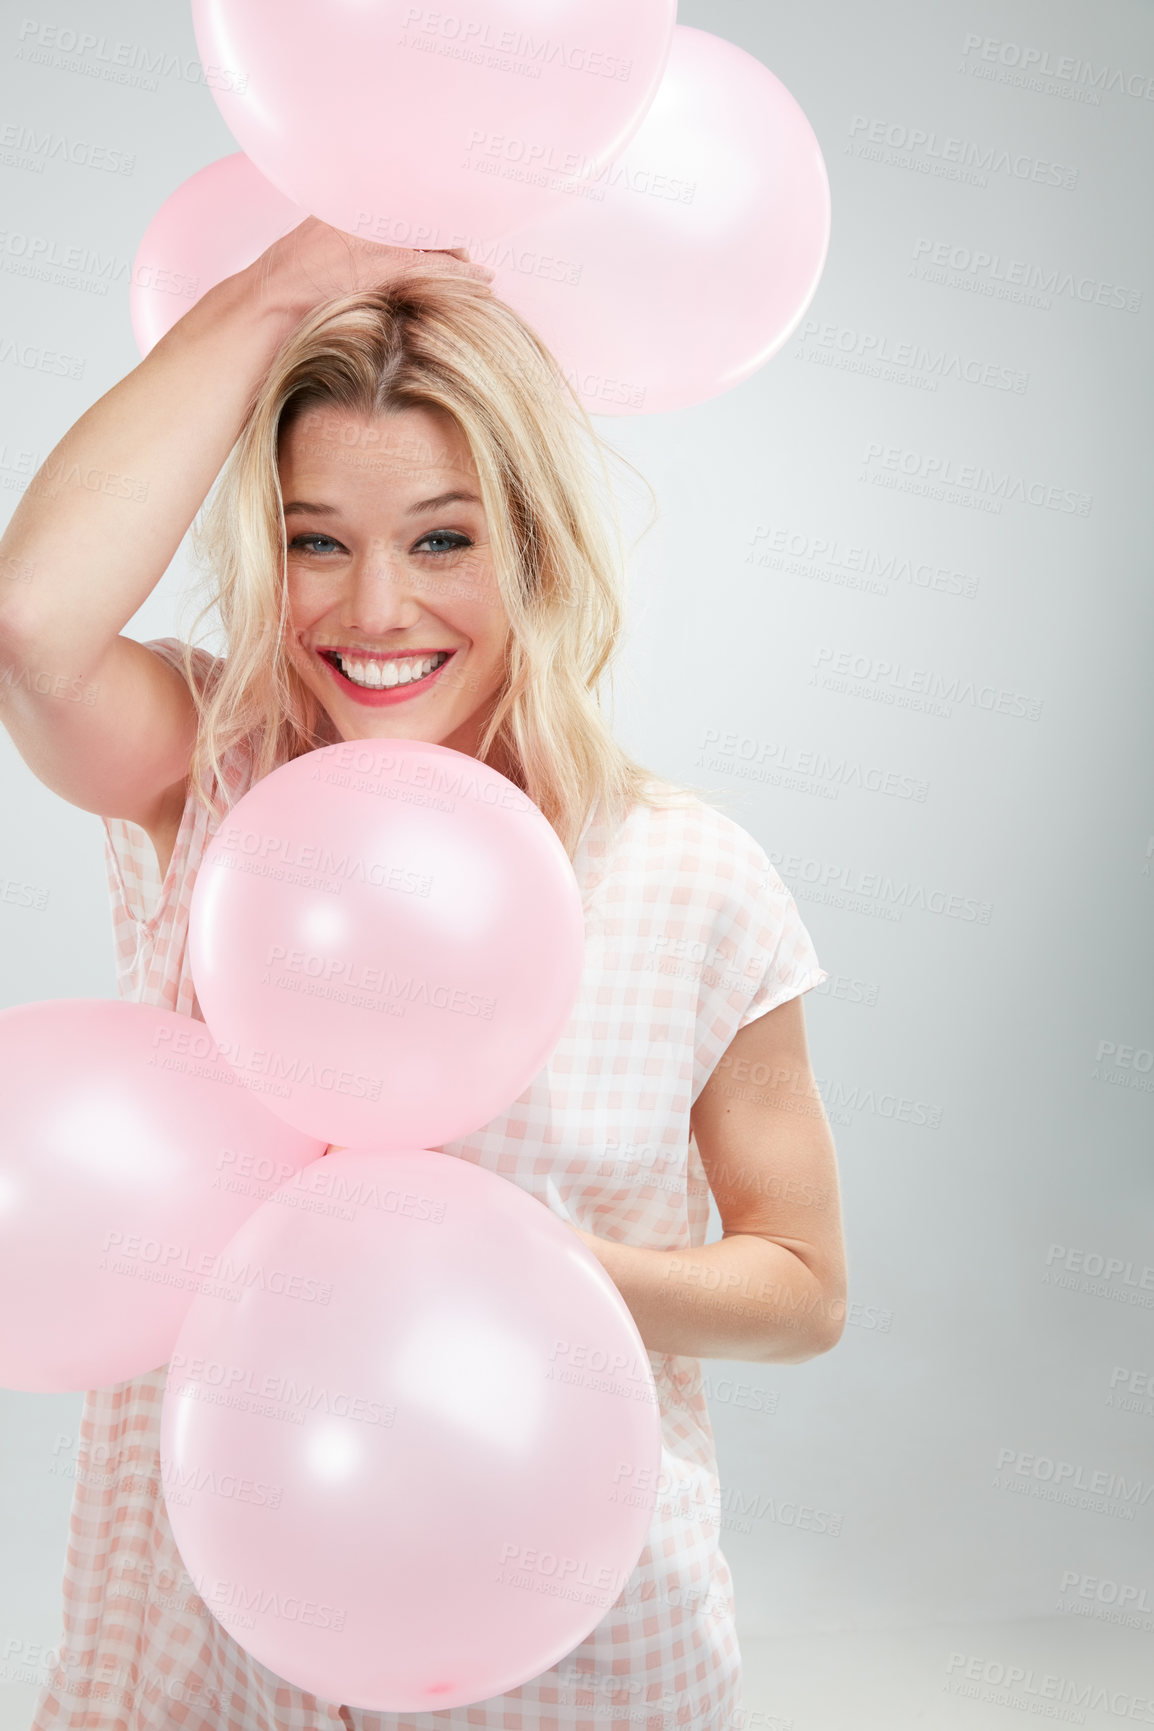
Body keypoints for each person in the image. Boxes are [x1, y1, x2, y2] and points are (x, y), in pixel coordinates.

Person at [0, 217, 848, 1731]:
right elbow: (34, 631)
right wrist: (274, 290)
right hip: (226, 1658)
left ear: (534, 546)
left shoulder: (687, 874)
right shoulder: (214, 777)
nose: (375, 609)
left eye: (442, 537)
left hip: (572, 1656)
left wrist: (544, 1281)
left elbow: (800, 1289)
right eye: (316, 538)